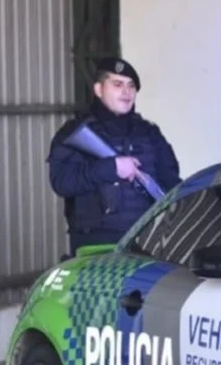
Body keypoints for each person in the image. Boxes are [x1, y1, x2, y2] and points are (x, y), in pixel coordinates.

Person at [47, 57, 181, 254]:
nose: (126, 92)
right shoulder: (75, 133)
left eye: (131, 86)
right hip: (96, 245)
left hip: (148, 242)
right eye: (117, 84)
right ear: (98, 89)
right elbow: (62, 182)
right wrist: (111, 169)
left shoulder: (150, 134)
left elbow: (172, 185)